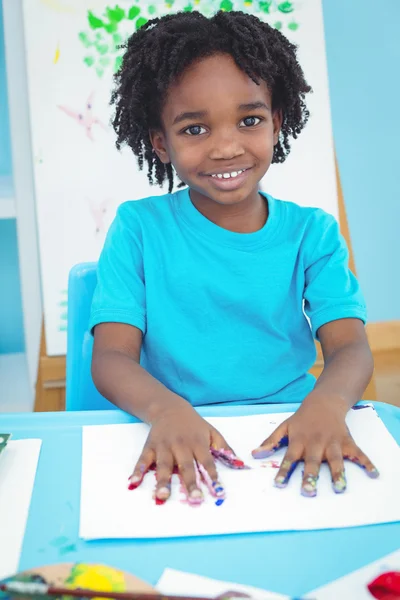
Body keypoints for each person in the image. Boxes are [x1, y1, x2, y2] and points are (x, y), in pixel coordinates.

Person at [90, 10, 378, 506]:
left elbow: (350, 348)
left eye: (249, 121)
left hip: (292, 424)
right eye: (194, 129)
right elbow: (112, 358)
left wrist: (327, 405)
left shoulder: (312, 233)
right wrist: (165, 411)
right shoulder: (139, 228)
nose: (226, 147)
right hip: (172, 427)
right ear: (161, 142)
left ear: (276, 123)